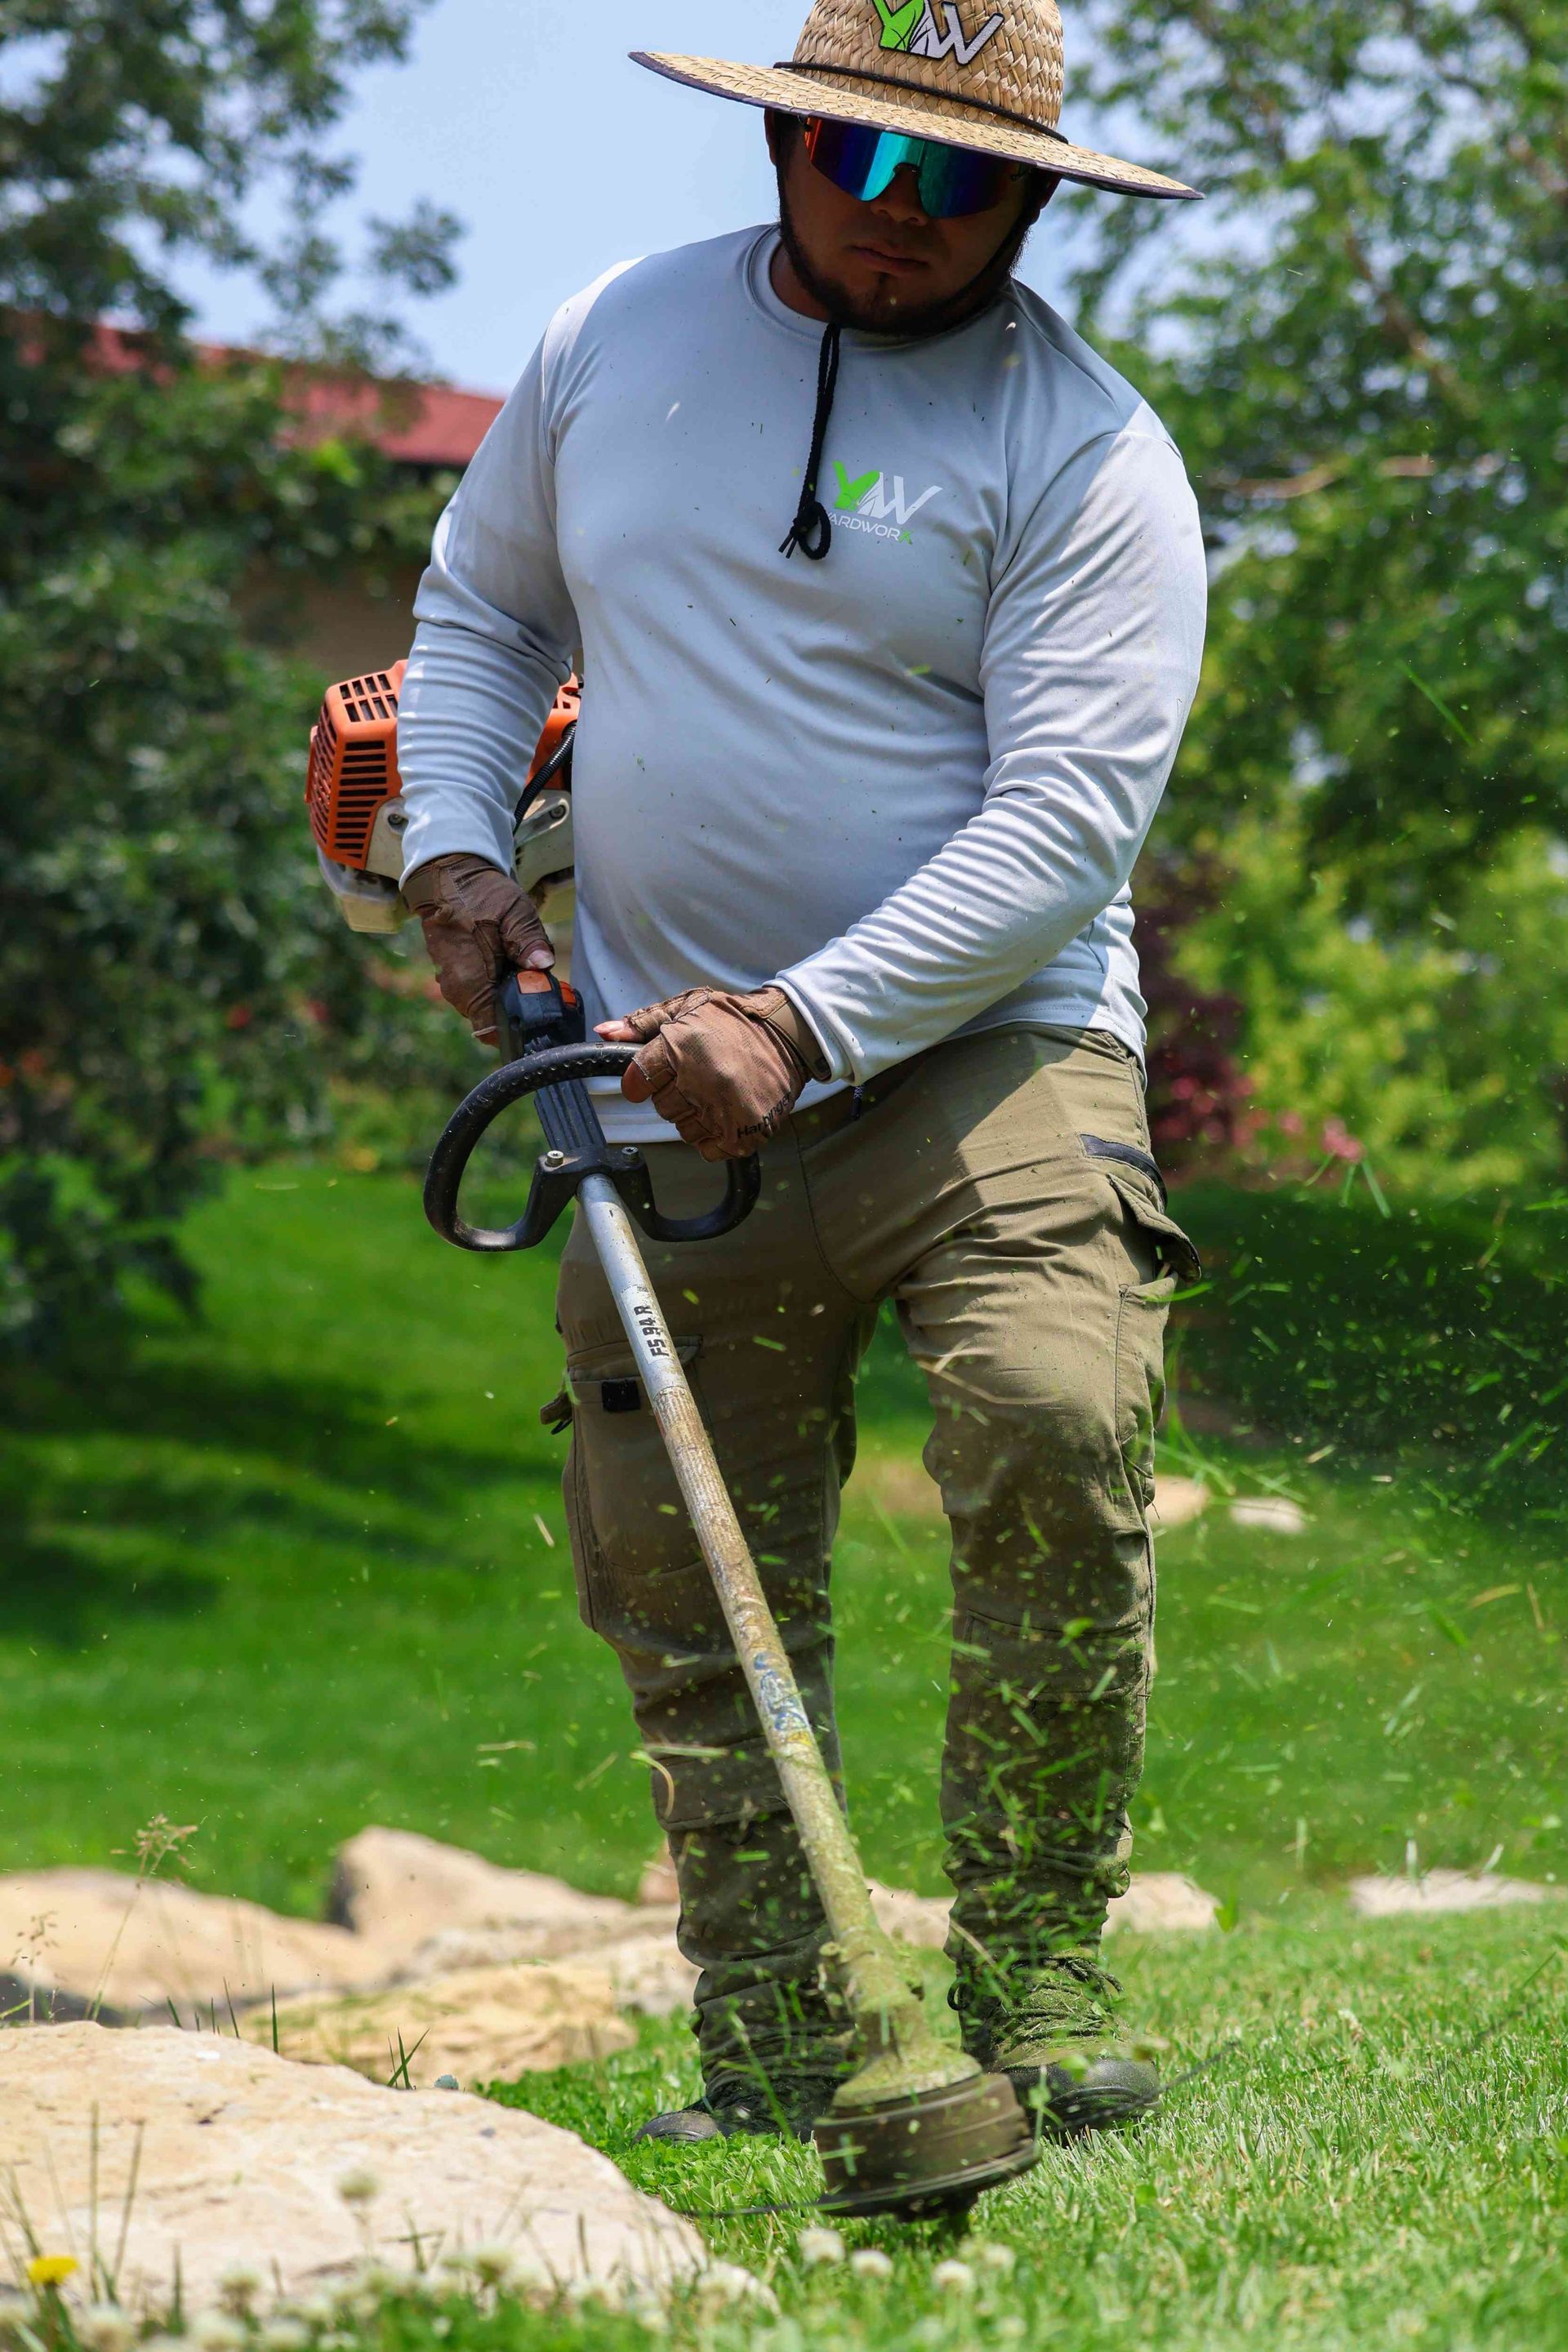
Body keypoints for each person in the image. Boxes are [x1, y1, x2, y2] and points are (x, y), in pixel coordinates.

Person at [396, 0, 1207, 2150]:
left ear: (1033, 204)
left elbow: (1065, 828)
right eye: (868, 158)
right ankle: (773, 2041)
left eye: (964, 179)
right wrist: (454, 851)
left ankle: (1034, 1982)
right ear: (786, 150)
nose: (904, 212)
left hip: (994, 1053)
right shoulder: (609, 342)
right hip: (649, 1064)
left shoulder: (1093, 452)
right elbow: (482, 616)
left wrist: (803, 1019)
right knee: (685, 1558)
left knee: (1054, 1417)